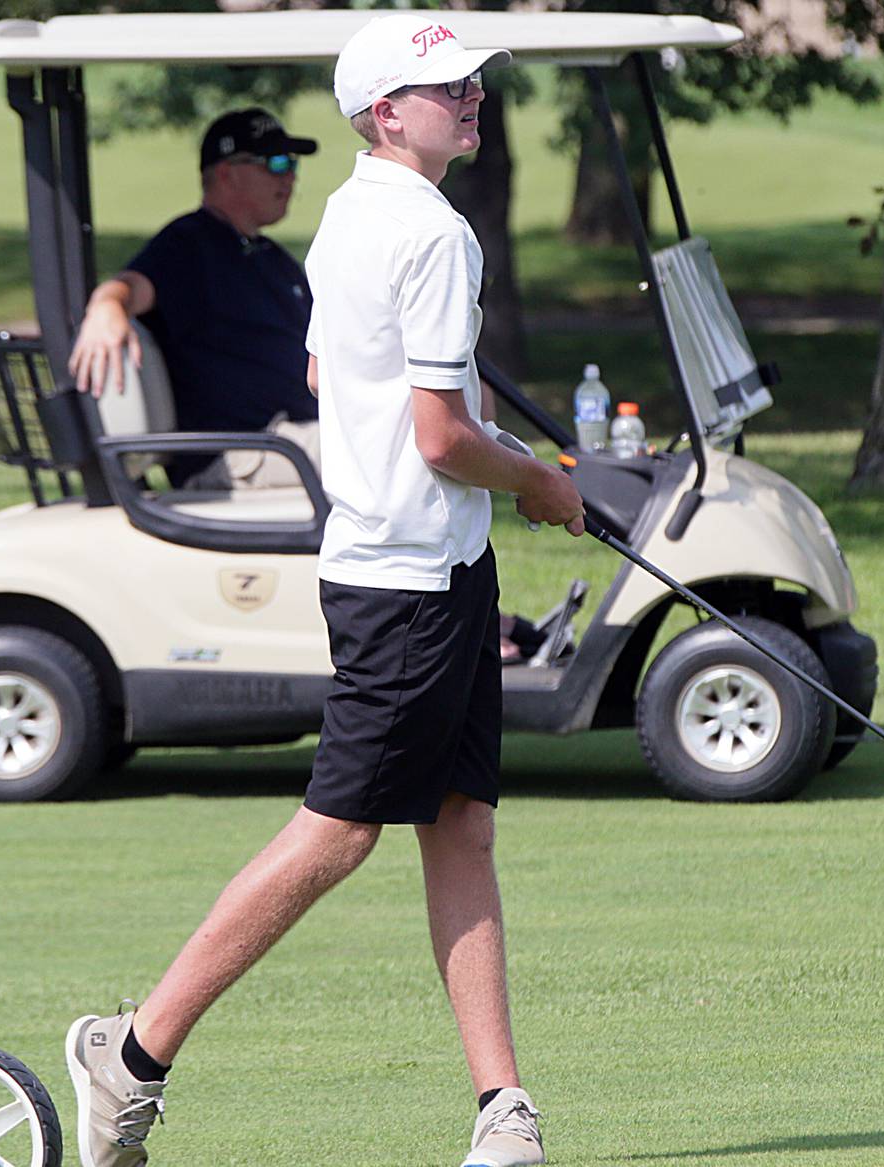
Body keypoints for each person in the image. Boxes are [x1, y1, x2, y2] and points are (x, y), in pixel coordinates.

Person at [63, 17, 585, 1167]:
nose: (474, 100)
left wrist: (476, 457)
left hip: (418, 566)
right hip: (408, 575)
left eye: (475, 84)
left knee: (462, 825)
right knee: (339, 835)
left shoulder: (350, 211)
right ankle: (133, 1054)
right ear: (387, 112)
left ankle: (504, 1110)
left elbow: (320, 371)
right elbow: (443, 437)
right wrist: (539, 482)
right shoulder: (434, 234)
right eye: (448, 88)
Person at [68, 107, 319, 485]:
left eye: (291, 164)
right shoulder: (187, 245)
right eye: (274, 162)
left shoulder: (272, 258)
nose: (288, 176)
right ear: (226, 172)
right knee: (390, 451)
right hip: (241, 453)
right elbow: (131, 286)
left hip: (294, 437)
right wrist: (107, 304)